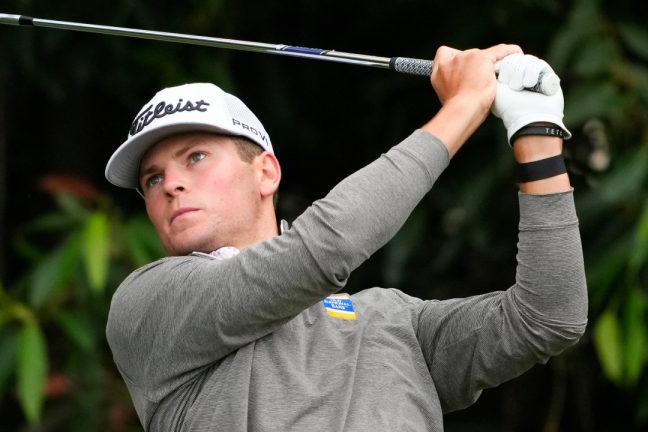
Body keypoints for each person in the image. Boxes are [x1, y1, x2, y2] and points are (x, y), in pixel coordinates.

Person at [104, 44, 587, 431]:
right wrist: (464, 105)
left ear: (265, 172)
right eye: (152, 179)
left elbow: (547, 317)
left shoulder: (393, 322)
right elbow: (321, 252)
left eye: (195, 157)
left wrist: (534, 131)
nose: (170, 184)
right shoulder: (148, 303)